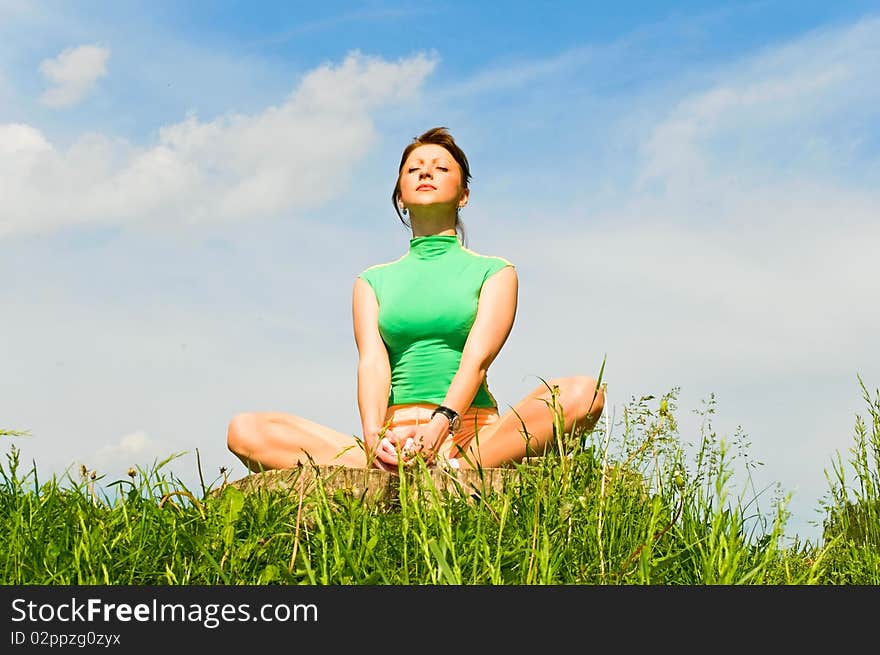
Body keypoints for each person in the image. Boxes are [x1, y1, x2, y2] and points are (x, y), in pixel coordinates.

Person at [227, 127, 605, 473]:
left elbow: (477, 360)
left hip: (471, 435)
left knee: (583, 394)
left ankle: (465, 468)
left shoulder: (495, 272)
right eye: (414, 169)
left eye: (441, 168)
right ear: (400, 197)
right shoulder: (372, 281)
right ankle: (386, 468)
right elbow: (373, 364)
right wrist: (375, 437)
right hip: (393, 441)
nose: (426, 173)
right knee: (244, 430)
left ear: (464, 195)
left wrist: (442, 423)